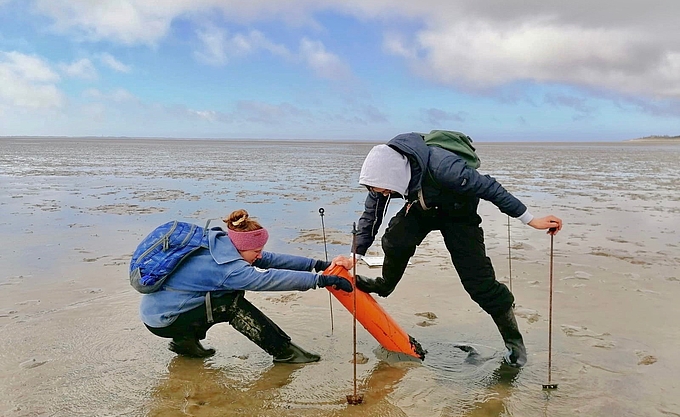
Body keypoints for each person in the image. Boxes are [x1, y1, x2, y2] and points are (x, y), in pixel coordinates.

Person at [352, 132, 563, 368]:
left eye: (383, 191)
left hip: (458, 212)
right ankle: (385, 285)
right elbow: (372, 216)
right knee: (395, 239)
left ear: (395, 175)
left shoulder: (444, 166)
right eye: (379, 192)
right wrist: (356, 254)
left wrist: (532, 220)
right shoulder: (384, 179)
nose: (383, 195)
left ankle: (514, 342)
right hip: (422, 207)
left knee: (479, 282)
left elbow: (491, 189)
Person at [139, 209, 353, 363]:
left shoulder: (221, 244)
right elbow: (268, 279)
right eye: (256, 251)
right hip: (165, 321)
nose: (260, 255)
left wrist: (318, 265)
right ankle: (285, 352)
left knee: (220, 295)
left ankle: (184, 343)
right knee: (231, 304)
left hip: (159, 312)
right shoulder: (228, 267)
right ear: (243, 247)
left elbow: (270, 259)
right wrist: (320, 281)